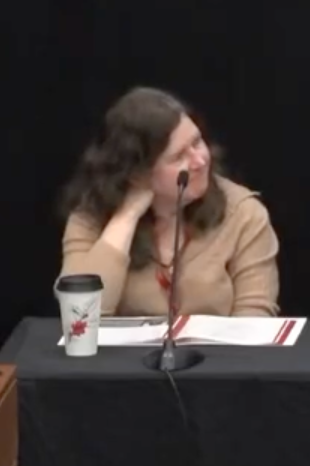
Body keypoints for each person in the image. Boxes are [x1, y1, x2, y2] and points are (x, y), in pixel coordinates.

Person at [57, 87, 281, 317]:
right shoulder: (92, 216)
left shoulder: (243, 212)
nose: (200, 160)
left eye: (197, 142)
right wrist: (128, 214)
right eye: (178, 157)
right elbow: (79, 316)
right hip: (123, 355)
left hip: (218, 354)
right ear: (138, 173)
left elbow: (255, 322)